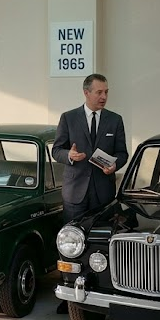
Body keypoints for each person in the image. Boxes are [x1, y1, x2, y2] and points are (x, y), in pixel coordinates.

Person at [51, 73, 129, 223]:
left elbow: (122, 153)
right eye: (99, 92)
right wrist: (69, 155)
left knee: (100, 237)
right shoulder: (68, 118)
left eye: (106, 92)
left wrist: (115, 165)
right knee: (73, 237)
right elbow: (56, 150)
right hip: (75, 191)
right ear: (86, 93)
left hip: (103, 192)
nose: (104, 97)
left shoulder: (115, 120)